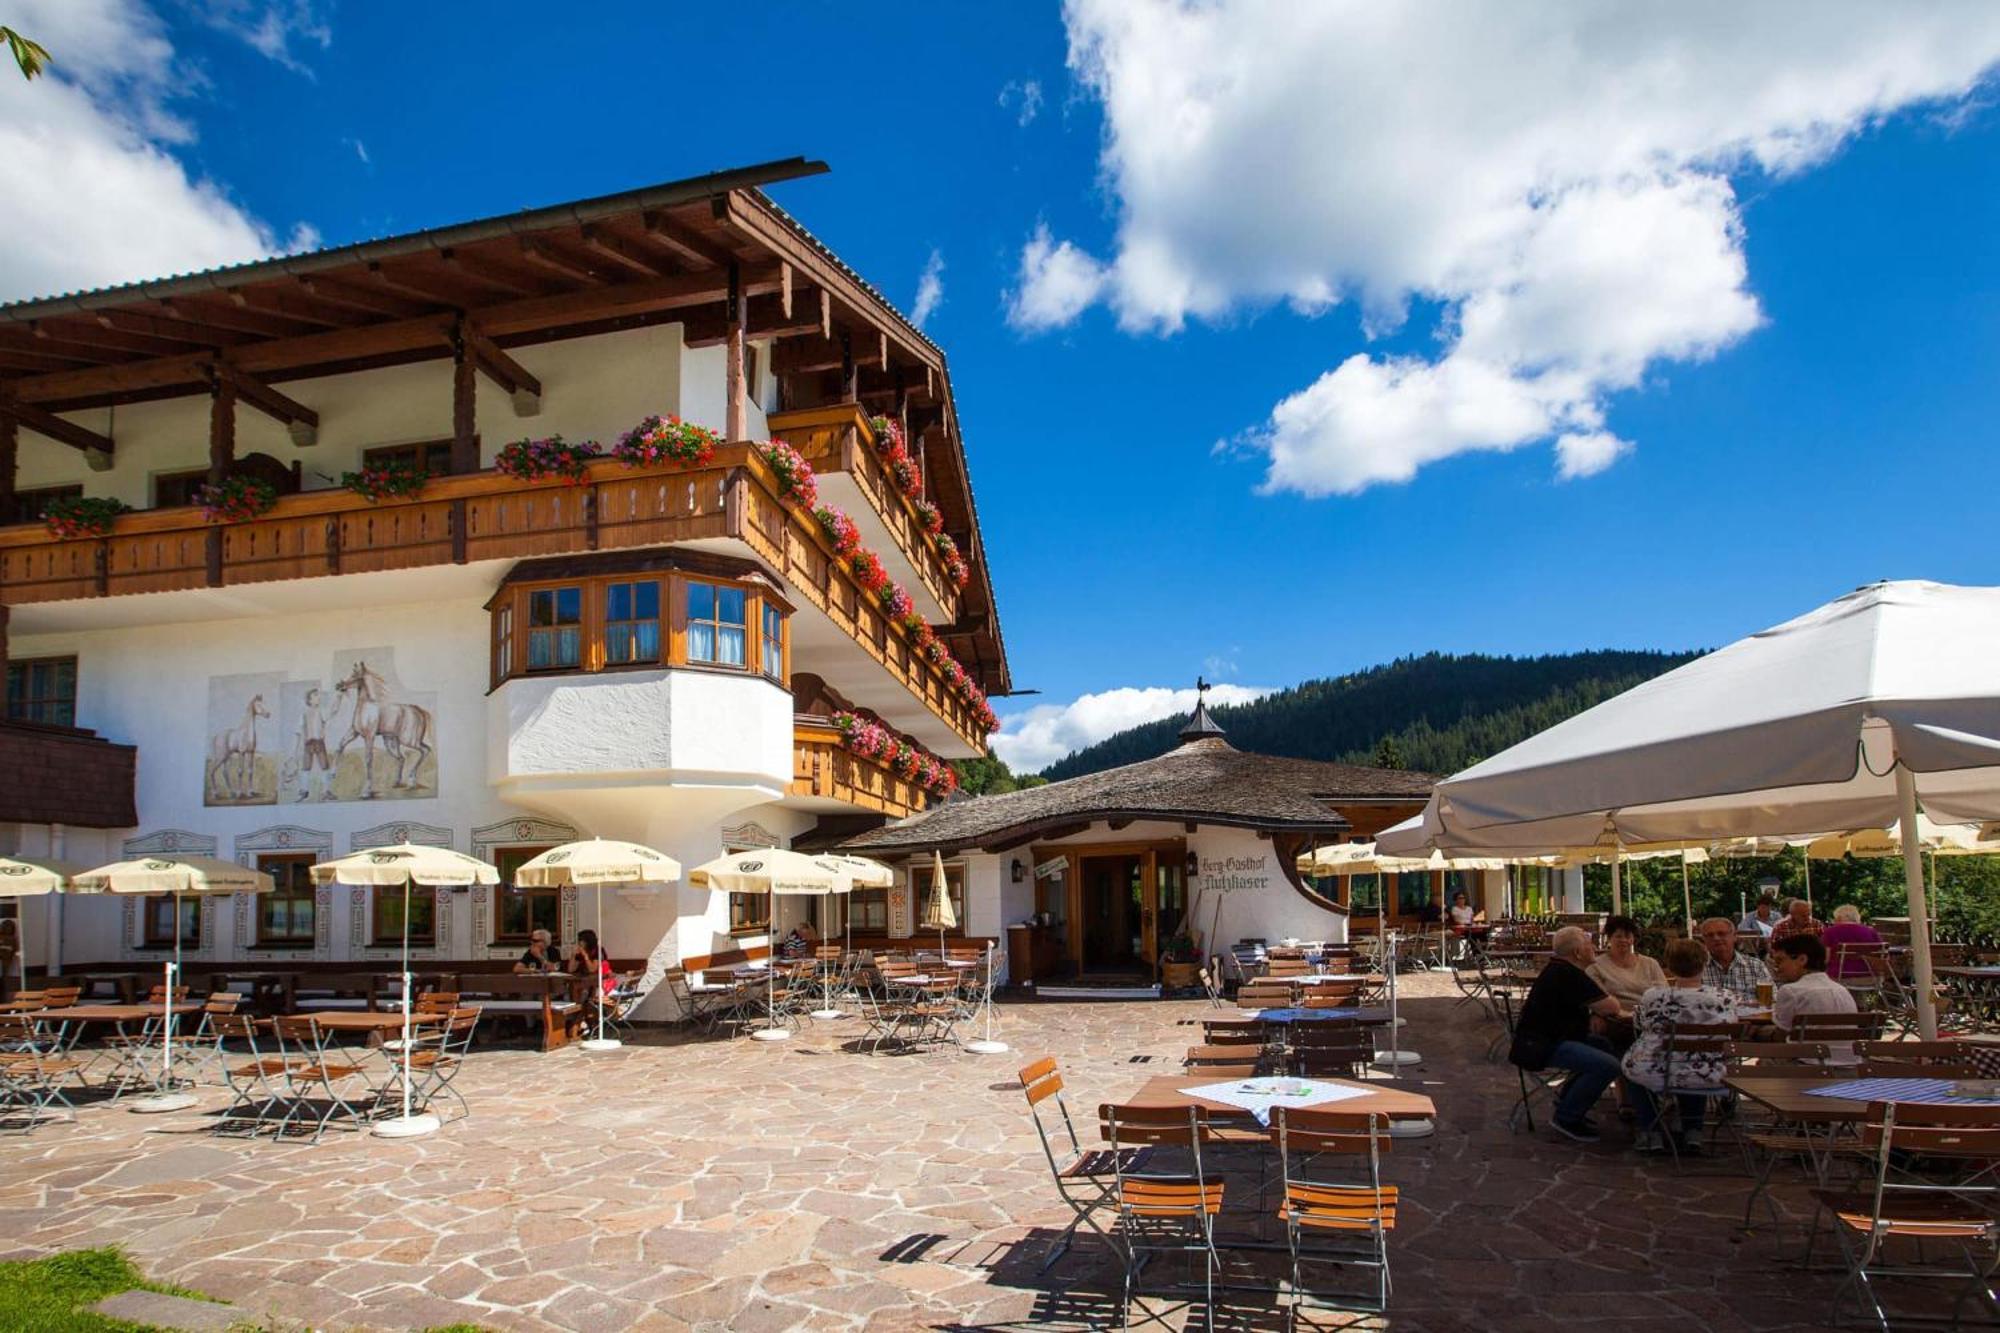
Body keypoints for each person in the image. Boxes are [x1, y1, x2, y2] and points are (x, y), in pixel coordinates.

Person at [1509, 925, 1627, 1143]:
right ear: (1578, 953)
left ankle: (1568, 1098)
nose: (1594, 947)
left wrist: (1593, 1012)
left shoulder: (1560, 968)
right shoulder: (1568, 973)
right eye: (1589, 943)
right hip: (1543, 1047)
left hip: (1543, 1040)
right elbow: (1611, 1007)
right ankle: (1566, 1117)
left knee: (1606, 1046)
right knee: (1609, 1065)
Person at [1622, 939, 1736, 1154]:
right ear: (1705, 963)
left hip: (1658, 1072)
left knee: (1632, 1068)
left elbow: (1640, 1025)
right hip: (1709, 1074)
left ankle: (1650, 1131)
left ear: (1669, 965)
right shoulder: (1724, 997)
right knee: (1695, 1060)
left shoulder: (1653, 996)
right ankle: (1693, 1130)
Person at [1767, 934, 1860, 1064]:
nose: (1777, 968)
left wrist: (1757, 1033)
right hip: (1849, 1065)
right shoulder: (1842, 990)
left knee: (1764, 1061)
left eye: (1780, 960)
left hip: (1807, 1066)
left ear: (1802, 959)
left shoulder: (1791, 991)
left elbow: (1780, 1036)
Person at [1586, 916, 1666, 1051]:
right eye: (1618, 936)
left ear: (1633, 938)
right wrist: (1630, 1017)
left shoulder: (1650, 963)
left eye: (1628, 936)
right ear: (1609, 938)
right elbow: (1598, 1000)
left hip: (1651, 1019)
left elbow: (1663, 994)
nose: (1624, 940)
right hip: (1617, 1023)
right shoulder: (1595, 967)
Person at [1696, 916, 1770, 1005]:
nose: (1716, 938)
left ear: (1735, 936)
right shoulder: (1695, 967)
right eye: (1710, 935)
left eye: (1721, 933)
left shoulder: (1756, 966)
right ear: (1704, 940)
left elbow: (1771, 999)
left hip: (1750, 1018)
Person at [1818, 904, 1884, 981]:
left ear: (1839, 918)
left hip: (1840, 978)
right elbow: (1881, 956)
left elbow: (1825, 959)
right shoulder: (1872, 931)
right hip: (1872, 978)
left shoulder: (1830, 932)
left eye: (1835, 918)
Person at [570, 927, 615, 995]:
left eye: (581, 940)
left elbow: (592, 969)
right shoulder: (580, 951)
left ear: (587, 941)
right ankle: (578, 1004)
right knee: (573, 987)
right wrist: (573, 955)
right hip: (584, 979)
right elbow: (571, 969)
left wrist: (585, 955)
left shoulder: (598, 950)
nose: (579, 942)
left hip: (599, 980)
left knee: (582, 989)